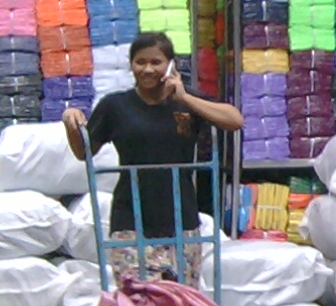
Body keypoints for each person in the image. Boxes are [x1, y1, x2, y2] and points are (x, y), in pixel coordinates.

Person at [63, 32, 243, 259]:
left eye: (156, 62)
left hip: (182, 218)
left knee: (180, 284)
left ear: (170, 66)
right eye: (140, 62)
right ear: (131, 65)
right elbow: (83, 152)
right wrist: (70, 122)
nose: (147, 69)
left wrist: (185, 98)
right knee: (135, 283)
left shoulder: (187, 102)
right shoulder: (115, 106)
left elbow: (235, 120)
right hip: (130, 220)